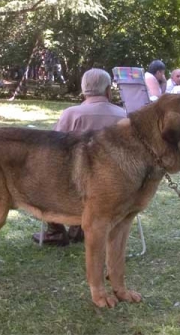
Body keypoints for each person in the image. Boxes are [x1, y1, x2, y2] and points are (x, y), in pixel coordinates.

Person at [33, 68, 127, 246]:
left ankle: (56, 231)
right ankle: (78, 227)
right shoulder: (122, 115)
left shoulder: (72, 114)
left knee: (43, 177)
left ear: (83, 90)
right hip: (114, 184)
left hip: (75, 183)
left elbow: (53, 148)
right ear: (108, 90)